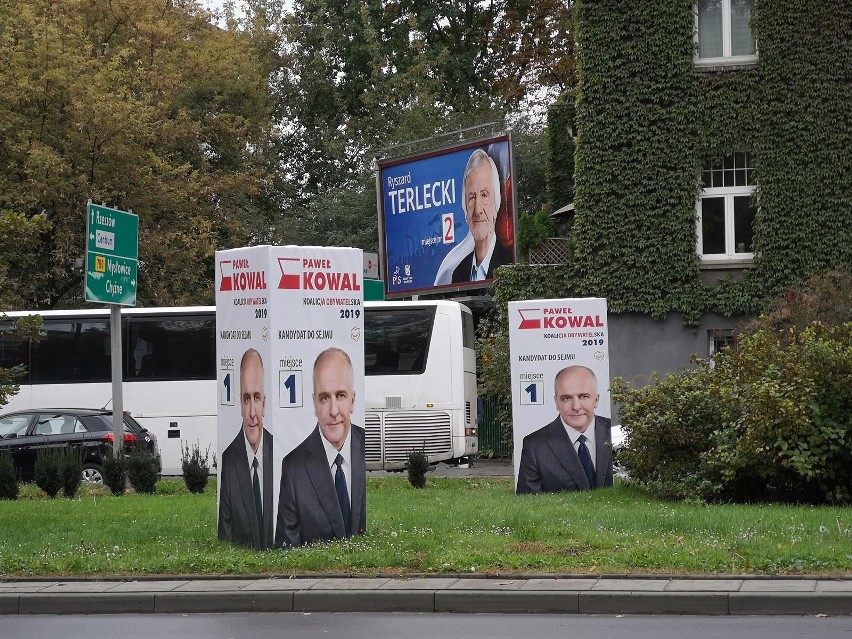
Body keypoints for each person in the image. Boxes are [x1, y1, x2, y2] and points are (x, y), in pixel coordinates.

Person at [274, 347, 366, 548]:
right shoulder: (293, 468)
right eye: (324, 398)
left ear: (353, 400)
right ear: (314, 404)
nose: (333, 411)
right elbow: (286, 550)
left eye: (340, 395)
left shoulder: (368, 447)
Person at [516, 365, 613, 495]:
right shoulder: (535, 445)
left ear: (596, 400)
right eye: (566, 398)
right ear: (556, 402)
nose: (576, 407)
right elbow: (529, 506)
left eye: (583, 396)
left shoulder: (616, 433)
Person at [218, 348, 275, 549]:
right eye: (246, 398)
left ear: (264, 404)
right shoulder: (229, 459)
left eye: (257, 398)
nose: (252, 412)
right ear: (240, 405)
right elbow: (225, 531)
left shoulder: (279, 452)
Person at [433, 149, 513, 285]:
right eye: (471, 197)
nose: (477, 210)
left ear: (496, 202)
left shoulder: (510, 264)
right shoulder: (458, 273)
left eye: (484, 195)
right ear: (465, 208)